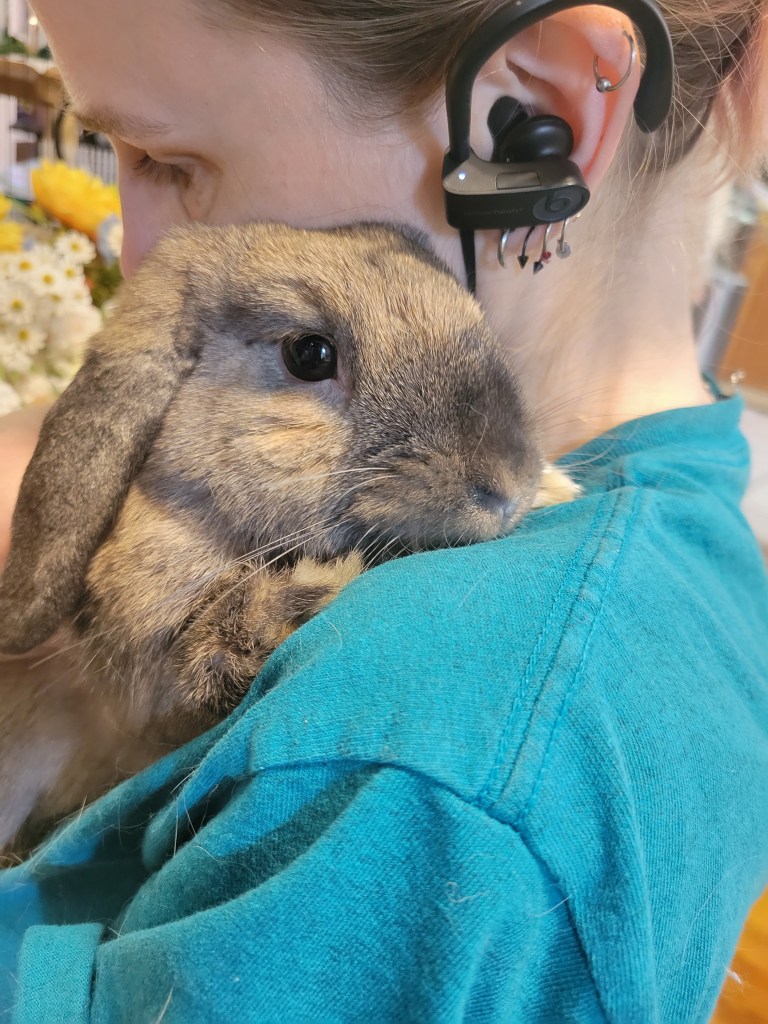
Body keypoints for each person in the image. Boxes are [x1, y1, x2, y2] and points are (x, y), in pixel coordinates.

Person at [1, 0, 767, 1019]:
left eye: (171, 162)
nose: (139, 248)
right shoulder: (687, 513)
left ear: (527, 120)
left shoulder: (420, 753)